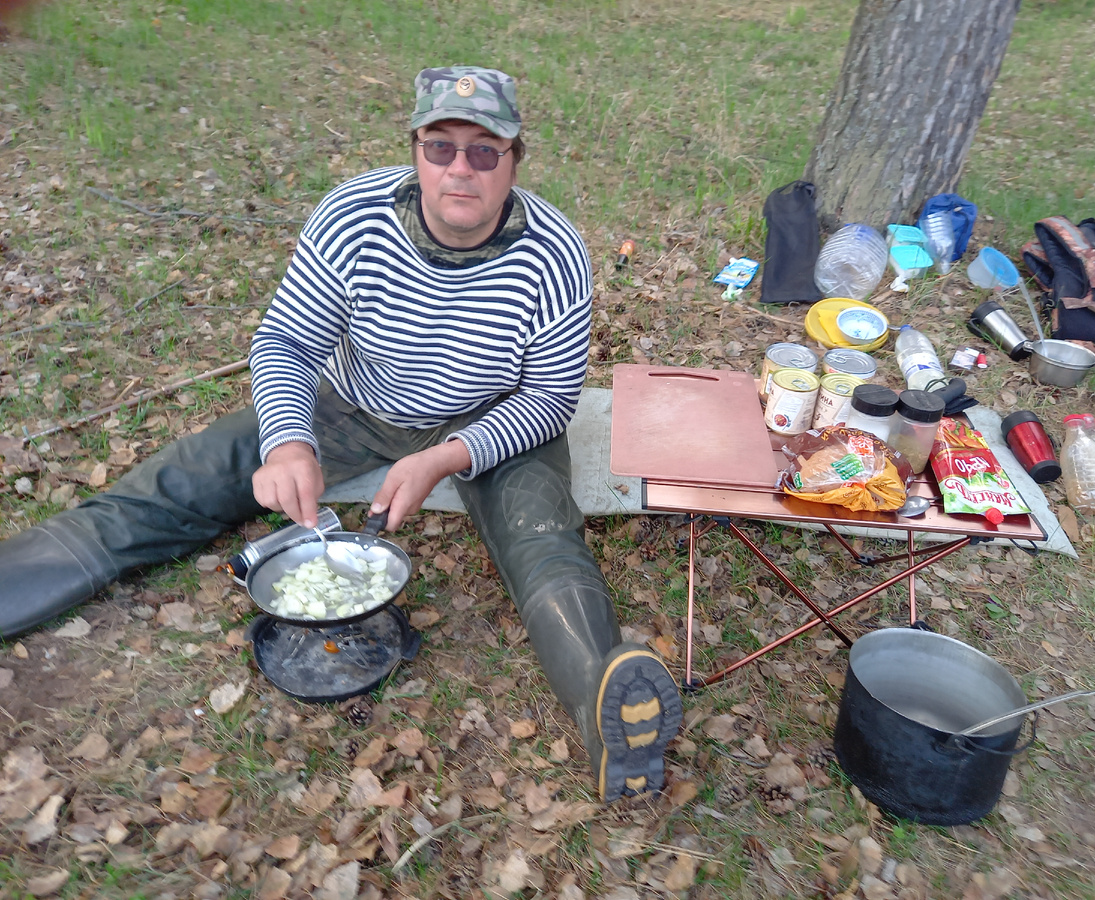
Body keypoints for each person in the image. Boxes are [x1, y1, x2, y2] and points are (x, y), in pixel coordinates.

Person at [0, 65, 682, 803]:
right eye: (440, 146)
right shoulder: (354, 215)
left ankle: (606, 709)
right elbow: (287, 341)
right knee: (183, 478)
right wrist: (288, 440)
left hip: (492, 415)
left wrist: (444, 459)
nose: (461, 168)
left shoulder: (555, 252)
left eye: (486, 151)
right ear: (415, 148)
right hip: (355, 402)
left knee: (542, 536)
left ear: (516, 159)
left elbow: (552, 397)